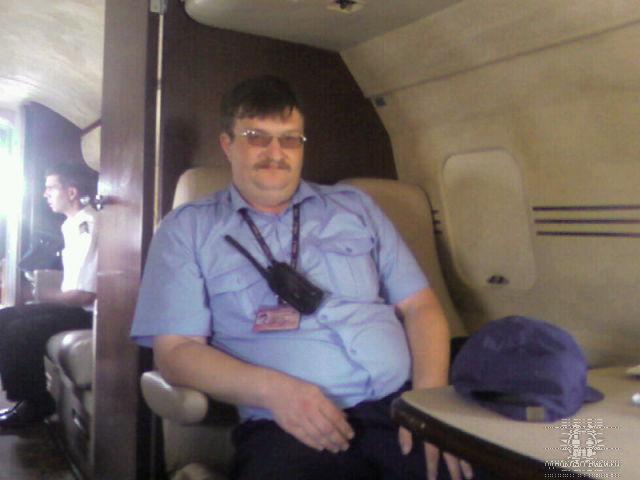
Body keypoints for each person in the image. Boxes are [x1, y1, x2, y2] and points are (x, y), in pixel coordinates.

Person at [131, 76, 474, 480]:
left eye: (290, 139)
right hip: (286, 425)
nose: (275, 152)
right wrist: (275, 391)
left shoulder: (356, 208)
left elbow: (420, 306)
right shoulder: (186, 230)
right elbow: (175, 352)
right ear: (227, 144)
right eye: (257, 137)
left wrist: (427, 403)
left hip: (399, 408)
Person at [0, 163, 97, 428]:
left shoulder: (88, 225)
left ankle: (36, 403)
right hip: (72, 307)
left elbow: (84, 296)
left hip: (89, 314)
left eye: (51, 188)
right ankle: (28, 399)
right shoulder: (70, 225)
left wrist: (45, 295)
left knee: (20, 331)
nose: (46, 194)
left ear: (72, 192)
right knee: (4, 318)